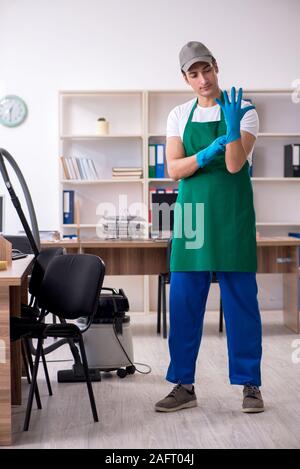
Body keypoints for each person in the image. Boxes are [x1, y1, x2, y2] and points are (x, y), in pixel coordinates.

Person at [155, 41, 264, 414]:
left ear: (216, 66)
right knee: (184, 303)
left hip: (232, 216)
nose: (202, 79)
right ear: (185, 78)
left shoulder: (245, 110)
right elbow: (174, 169)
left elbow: (234, 165)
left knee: (241, 305)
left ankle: (251, 385)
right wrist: (204, 153)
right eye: (193, 73)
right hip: (191, 219)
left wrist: (231, 130)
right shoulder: (177, 115)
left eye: (206, 69)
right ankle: (183, 385)